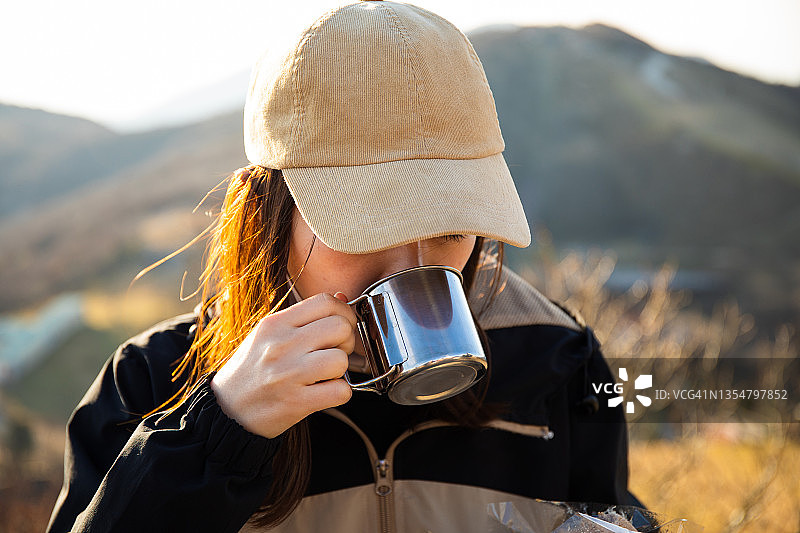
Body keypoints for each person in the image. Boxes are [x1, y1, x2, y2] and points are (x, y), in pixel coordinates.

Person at [48, 1, 637, 531]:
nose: (413, 269)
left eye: (452, 228)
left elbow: (613, 508)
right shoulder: (151, 382)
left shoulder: (560, 359)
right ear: (268, 216)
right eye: (365, 230)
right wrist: (220, 431)